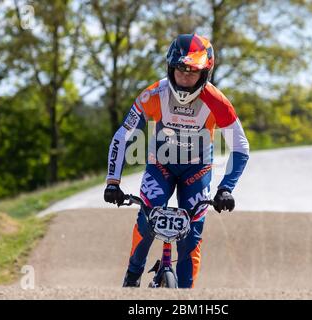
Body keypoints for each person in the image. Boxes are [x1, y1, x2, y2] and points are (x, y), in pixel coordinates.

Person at [104, 33, 250, 288]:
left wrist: (226, 188)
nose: (184, 78)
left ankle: (185, 296)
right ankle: (131, 280)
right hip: (161, 165)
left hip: (197, 169)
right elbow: (122, 136)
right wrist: (113, 182)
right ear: (170, 68)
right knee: (148, 219)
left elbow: (241, 145)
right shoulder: (153, 95)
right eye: (180, 70)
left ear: (205, 73)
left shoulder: (218, 102)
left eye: (192, 72)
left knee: (191, 237)